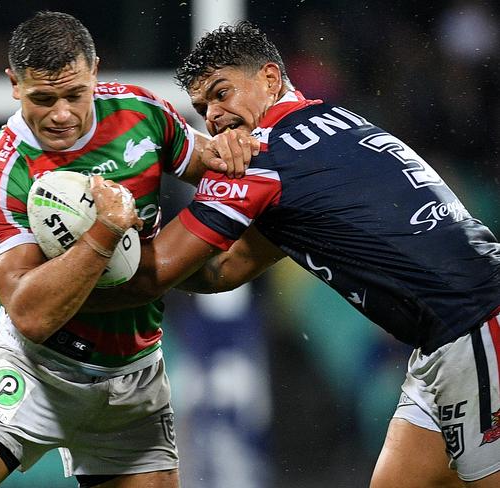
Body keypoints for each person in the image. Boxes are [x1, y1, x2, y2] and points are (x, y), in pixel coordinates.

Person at [92, 21, 500, 487]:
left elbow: (154, 274)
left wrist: (100, 241)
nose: (215, 117)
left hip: (474, 328)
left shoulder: (264, 159)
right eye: (203, 108)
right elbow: (227, 268)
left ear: (269, 78)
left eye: (223, 94)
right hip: (450, 336)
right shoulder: (335, 120)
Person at [0, 11, 256, 488]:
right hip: (37, 370)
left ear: (95, 72)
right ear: (14, 84)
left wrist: (233, 151)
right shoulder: (2, 174)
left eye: (74, 94)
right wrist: (104, 230)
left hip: (134, 378)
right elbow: (31, 315)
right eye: (43, 99)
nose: (61, 114)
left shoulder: (141, 114)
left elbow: (211, 163)